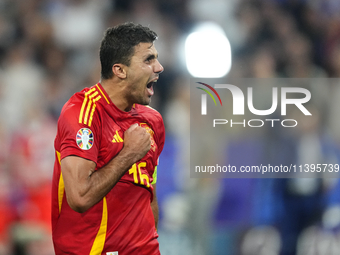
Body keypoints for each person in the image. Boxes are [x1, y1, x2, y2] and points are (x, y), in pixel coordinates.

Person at [51, 22, 165, 255]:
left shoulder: (152, 121)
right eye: (148, 60)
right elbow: (79, 197)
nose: (159, 67)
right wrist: (129, 154)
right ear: (120, 70)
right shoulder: (82, 114)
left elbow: (147, 191)